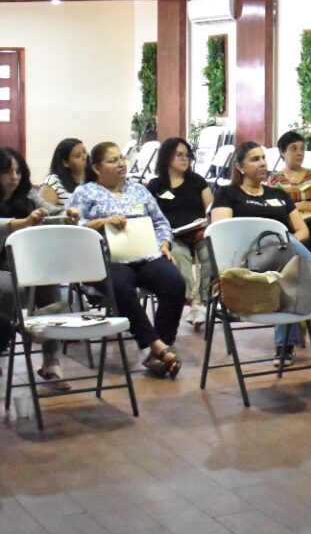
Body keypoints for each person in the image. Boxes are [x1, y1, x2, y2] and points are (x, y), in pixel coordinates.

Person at [69, 142, 186, 378]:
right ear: (97, 168)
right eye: (113, 160)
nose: (121, 164)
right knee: (121, 287)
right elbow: (72, 227)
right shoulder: (85, 193)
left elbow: (161, 223)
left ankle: (161, 348)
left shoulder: (139, 190)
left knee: (175, 282)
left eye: (121, 158)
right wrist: (102, 222)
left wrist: (164, 244)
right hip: (107, 259)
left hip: (145, 255)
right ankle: (156, 346)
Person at [211, 141, 311, 364]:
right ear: (239, 167)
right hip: (244, 262)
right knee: (283, 250)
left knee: (287, 264)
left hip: (279, 260)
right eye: (255, 159)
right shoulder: (227, 194)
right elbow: (222, 234)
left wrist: (282, 246)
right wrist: (277, 243)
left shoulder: (278, 194)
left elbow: (302, 230)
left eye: (264, 158)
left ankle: (284, 348)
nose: (263, 163)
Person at [0, 147, 77, 388]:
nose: (14, 177)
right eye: (7, 172)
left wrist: (68, 213)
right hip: (3, 267)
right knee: (6, 289)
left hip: (27, 264)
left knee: (49, 281)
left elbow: (54, 211)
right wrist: (22, 223)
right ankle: (7, 339)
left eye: (18, 172)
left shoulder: (29, 195)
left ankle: (51, 360)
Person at [147, 137, 213, 330]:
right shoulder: (156, 185)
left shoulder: (197, 181)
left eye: (187, 155)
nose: (185, 159)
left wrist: (205, 226)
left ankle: (204, 301)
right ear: (167, 158)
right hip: (171, 236)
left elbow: (211, 209)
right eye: (179, 155)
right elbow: (149, 215)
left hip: (198, 232)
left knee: (210, 253)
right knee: (177, 254)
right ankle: (194, 302)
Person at [267, 130, 311, 257]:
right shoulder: (275, 179)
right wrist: (307, 205)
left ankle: (306, 263)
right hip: (289, 223)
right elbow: (276, 207)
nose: (300, 153)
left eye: (302, 149)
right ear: (282, 152)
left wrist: (296, 206)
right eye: (294, 149)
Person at [39, 137, 88, 207]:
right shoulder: (53, 181)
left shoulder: (92, 179)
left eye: (85, 152)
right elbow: (45, 211)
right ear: (65, 163)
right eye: (77, 156)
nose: (84, 157)